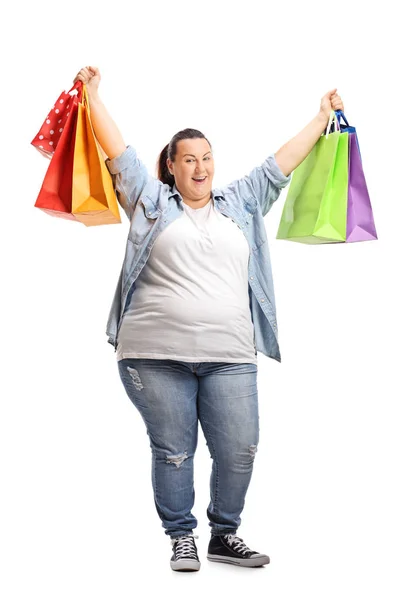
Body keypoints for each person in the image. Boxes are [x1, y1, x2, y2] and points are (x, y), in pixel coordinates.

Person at [73, 66, 344, 572]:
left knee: (239, 450)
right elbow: (119, 153)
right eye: (189, 160)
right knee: (175, 451)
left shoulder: (240, 201)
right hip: (154, 355)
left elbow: (279, 163)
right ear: (171, 167)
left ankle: (224, 534)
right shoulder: (149, 200)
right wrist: (91, 96)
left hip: (230, 354)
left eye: (207, 158)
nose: (200, 168)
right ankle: (182, 537)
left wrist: (321, 116)